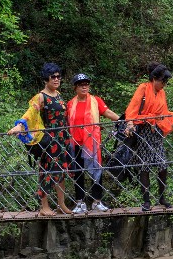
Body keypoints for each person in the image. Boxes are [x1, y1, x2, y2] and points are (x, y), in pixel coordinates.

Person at [10, 62, 75, 217]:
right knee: (46, 170)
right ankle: (44, 206)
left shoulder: (58, 95)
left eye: (59, 76)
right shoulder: (41, 96)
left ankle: (61, 204)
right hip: (49, 140)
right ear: (46, 79)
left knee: (61, 171)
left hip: (62, 138)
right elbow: (31, 112)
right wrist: (20, 125)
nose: (57, 79)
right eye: (53, 77)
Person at [121, 64, 173, 211]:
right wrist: (130, 124)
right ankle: (146, 200)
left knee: (162, 164)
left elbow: (164, 112)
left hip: (156, 131)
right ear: (154, 79)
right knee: (145, 165)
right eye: (162, 81)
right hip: (144, 131)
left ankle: (161, 197)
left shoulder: (161, 92)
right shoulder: (143, 88)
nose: (164, 84)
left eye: (165, 82)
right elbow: (132, 108)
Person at [66, 74, 112, 213]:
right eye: (81, 84)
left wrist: (123, 120)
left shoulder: (95, 101)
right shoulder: (70, 104)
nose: (84, 86)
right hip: (75, 142)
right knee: (78, 171)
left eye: (86, 84)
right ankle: (80, 203)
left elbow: (107, 112)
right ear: (75, 87)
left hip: (92, 142)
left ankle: (97, 201)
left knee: (96, 170)